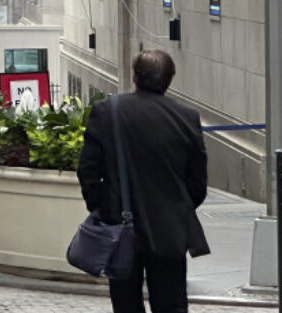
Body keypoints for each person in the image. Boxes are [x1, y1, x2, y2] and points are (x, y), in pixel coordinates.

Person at [77, 50, 209, 313]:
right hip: (170, 230)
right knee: (171, 304)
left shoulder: (108, 111)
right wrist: (179, 208)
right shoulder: (187, 117)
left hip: (121, 227)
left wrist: (104, 209)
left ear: (134, 77)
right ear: (169, 80)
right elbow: (198, 182)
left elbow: (88, 171)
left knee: (125, 304)